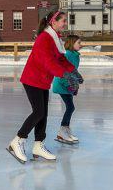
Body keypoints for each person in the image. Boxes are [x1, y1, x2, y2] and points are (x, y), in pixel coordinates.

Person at [6, 11, 81, 164]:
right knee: (38, 112)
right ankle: (18, 140)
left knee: (44, 114)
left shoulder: (54, 38)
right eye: (63, 21)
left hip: (42, 81)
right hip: (32, 79)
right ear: (54, 22)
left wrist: (73, 71)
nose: (65, 23)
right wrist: (65, 75)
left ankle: (38, 145)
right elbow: (48, 62)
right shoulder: (44, 39)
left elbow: (60, 59)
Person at [51, 34, 83, 145]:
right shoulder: (68, 55)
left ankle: (65, 131)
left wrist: (75, 84)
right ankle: (62, 131)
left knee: (70, 107)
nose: (81, 44)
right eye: (78, 42)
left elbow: (72, 71)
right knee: (70, 107)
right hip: (62, 84)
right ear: (71, 43)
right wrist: (69, 85)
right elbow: (62, 72)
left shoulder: (75, 55)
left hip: (69, 84)